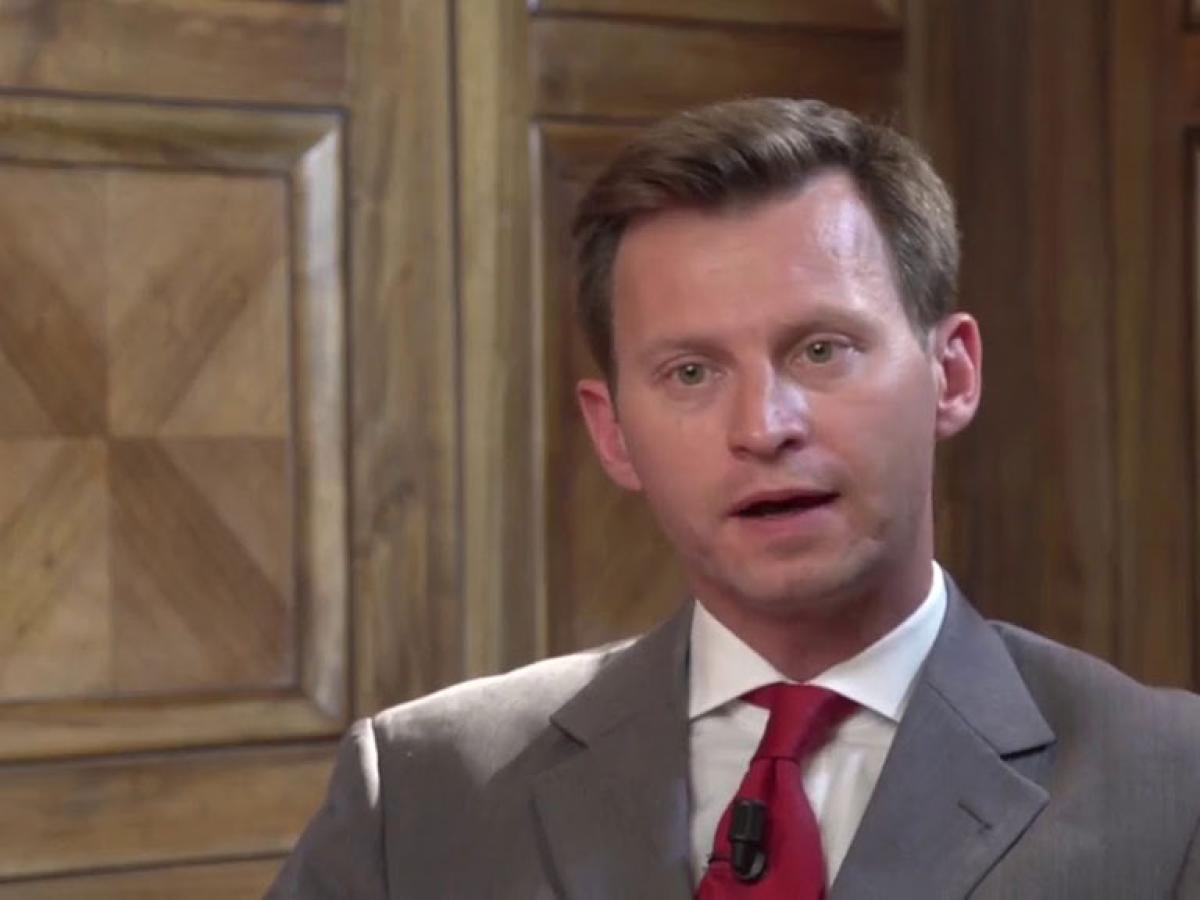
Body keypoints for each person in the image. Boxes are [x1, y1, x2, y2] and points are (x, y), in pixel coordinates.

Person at [267, 98, 1200, 899]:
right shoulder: (423, 788)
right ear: (613, 433)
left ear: (951, 374)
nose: (764, 425)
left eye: (821, 350)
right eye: (688, 372)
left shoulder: (1171, 788)